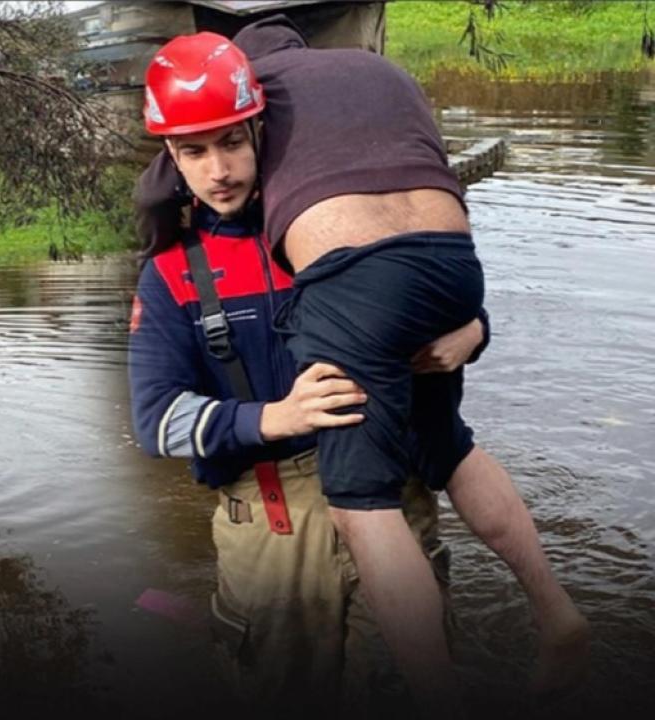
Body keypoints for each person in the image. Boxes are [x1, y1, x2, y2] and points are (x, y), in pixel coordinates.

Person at [137, 22, 588, 713]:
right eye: (194, 152)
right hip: (273, 535)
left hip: (398, 507)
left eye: (231, 142)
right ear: (171, 156)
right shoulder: (172, 273)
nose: (218, 170)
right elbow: (156, 421)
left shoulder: (331, 225)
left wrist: (475, 330)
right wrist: (272, 417)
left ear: (264, 125)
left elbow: (417, 297)